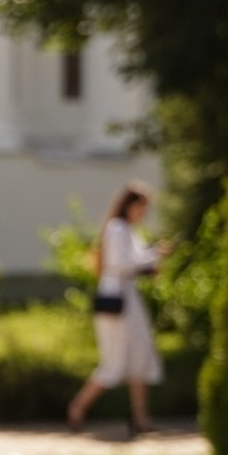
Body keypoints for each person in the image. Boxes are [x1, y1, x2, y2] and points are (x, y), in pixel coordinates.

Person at [66, 181, 168, 438]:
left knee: (140, 355)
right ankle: (78, 408)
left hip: (128, 297)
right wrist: (152, 257)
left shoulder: (130, 231)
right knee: (114, 362)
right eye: (141, 208)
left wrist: (151, 257)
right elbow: (122, 263)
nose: (143, 214)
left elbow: (135, 260)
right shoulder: (117, 229)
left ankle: (141, 417)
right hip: (115, 299)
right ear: (130, 205)